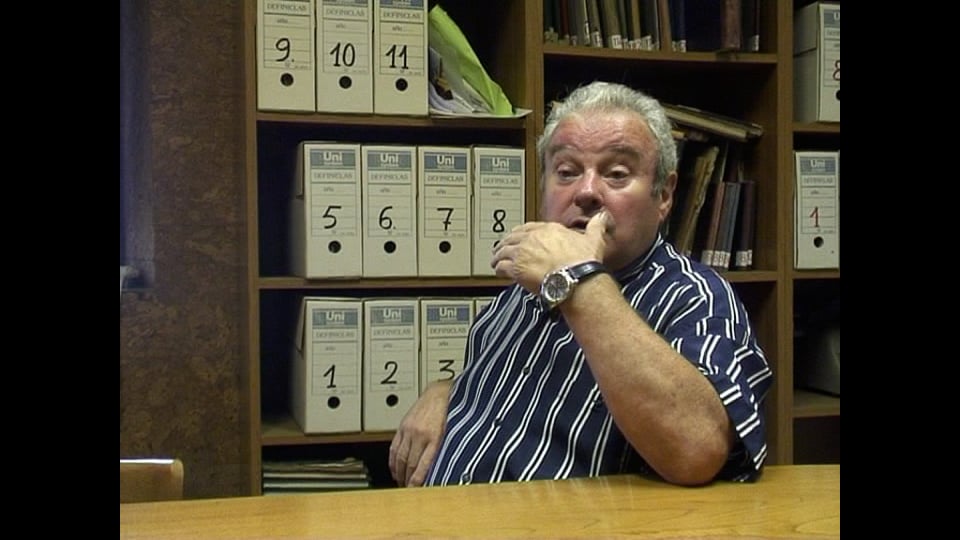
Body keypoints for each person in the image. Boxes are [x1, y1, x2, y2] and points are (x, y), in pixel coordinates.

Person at [389, 81, 772, 488]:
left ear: (664, 195)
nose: (586, 192)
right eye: (567, 172)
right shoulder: (521, 291)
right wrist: (447, 391)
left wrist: (579, 279)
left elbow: (698, 448)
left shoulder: (694, 297)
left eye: (617, 174)